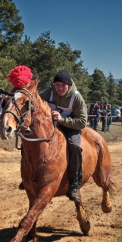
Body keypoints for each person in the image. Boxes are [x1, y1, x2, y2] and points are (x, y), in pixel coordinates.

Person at [39, 70, 87, 202]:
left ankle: (74, 184)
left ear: (69, 85)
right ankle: (27, 177)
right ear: (53, 85)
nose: (60, 88)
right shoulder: (48, 93)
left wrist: (62, 120)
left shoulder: (76, 98)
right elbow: (35, 103)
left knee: (75, 146)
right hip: (51, 126)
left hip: (71, 127)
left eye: (63, 85)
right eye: (57, 85)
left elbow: (82, 122)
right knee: (32, 140)